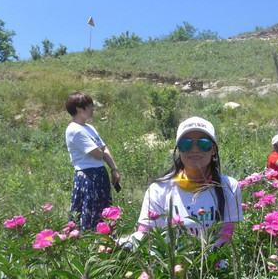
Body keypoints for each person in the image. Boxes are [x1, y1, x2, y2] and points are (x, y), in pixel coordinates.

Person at [123, 117, 242, 247]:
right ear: (179, 150)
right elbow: (146, 233)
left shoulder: (229, 186)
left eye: (203, 144)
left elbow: (226, 234)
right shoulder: (159, 189)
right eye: (186, 144)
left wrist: (207, 261)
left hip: (213, 265)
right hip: (170, 264)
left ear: (213, 149)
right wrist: (119, 244)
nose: (195, 149)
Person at [65, 92, 121, 230]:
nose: (92, 109)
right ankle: (88, 242)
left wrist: (113, 168)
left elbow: (102, 149)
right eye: (88, 106)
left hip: (99, 173)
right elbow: (97, 154)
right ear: (78, 109)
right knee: (89, 212)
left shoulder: (89, 128)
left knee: (103, 211)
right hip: (88, 176)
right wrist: (101, 149)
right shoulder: (75, 130)